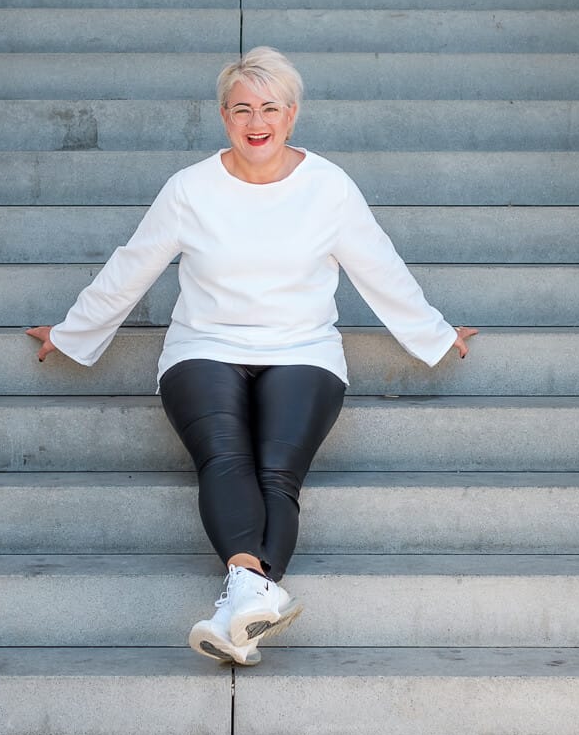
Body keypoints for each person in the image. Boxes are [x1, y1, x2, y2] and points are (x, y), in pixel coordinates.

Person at [27, 46, 477, 666]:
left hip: (303, 349)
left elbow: (380, 267)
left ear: (291, 116)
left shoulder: (328, 188)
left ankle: (239, 602)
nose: (255, 120)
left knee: (276, 473)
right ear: (223, 117)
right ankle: (252, 593)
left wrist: (432, 332)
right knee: (224, 455)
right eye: (242, 108)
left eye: (269, 107)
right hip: (204, 347)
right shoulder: (190, 189)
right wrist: (74, 332)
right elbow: (134, 264)